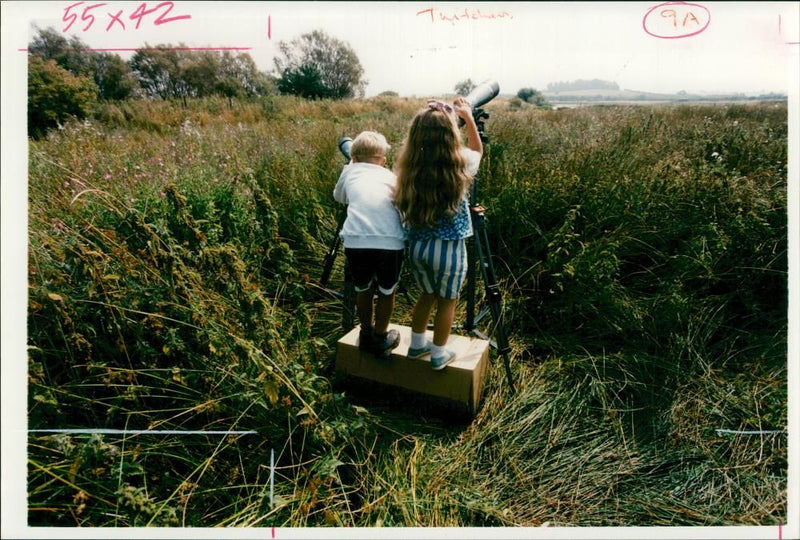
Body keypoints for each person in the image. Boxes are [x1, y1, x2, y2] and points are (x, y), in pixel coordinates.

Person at [393, 97, 483, 370]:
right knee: (448, 300)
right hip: (450, 248)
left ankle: (417, 345)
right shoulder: (461, 162)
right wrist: (467, 118)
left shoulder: (409, 168)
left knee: (426, 294)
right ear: (450, 134)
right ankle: (439, 355)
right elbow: (478, 150)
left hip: (419, 247)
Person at [333, 131, 406, 357]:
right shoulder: (392, 176)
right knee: (387, 290)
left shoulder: (349, 170)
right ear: (383, 160)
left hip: (357, 241)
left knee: (362, 288)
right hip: (390, 242)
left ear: (353, 157)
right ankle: (382, 336)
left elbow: (339, 197)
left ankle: (365, 333)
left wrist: (350, 171)